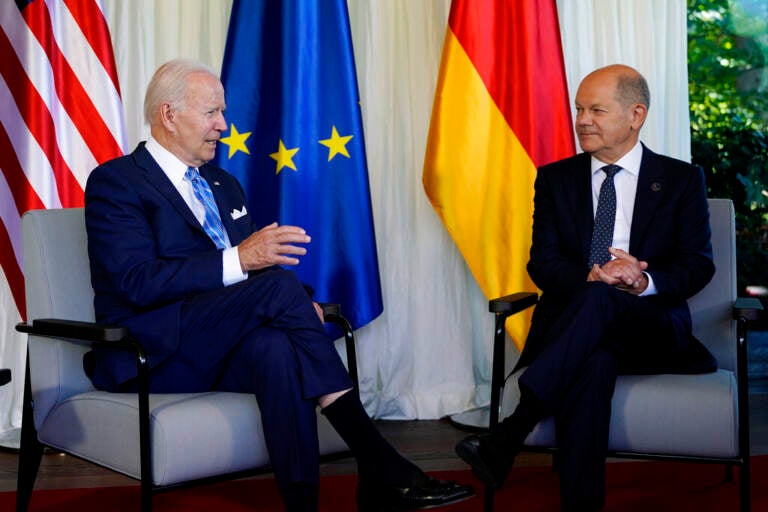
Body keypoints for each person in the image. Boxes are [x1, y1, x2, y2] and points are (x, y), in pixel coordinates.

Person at [83, 59, 473, 512]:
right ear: (168, 115)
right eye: (212, 113)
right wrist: (241, 259)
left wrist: (294, 302)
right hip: (150, 349)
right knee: (278, 294)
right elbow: (135, 283)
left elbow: (258, 272)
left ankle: (302, 503)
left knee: (276, 348)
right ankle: (380, 462)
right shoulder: (117, 182)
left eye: (223, 114)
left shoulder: (222, 184)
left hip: (222, 341)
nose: (223, 127)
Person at [455, 64, 716, 510]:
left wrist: (643, 279)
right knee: (592, 359)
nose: (582, 120)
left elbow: (698, 265)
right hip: (579, 330)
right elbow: (544, 263)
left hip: (650, 327)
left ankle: (511, 431)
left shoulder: (681, 179)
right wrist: (590, 276)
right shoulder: (556, 179)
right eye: (579, 109)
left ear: (636, 115)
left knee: (601, 304)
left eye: (596, 109)